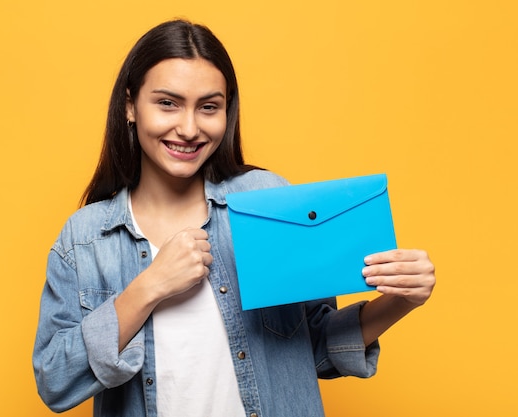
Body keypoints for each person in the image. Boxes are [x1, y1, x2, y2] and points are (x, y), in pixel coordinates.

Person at [32, 19, 436, 417]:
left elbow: (314, 347)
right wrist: (148, 288)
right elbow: (55, 382)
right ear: (130, 106)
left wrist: (400, 301)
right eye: (167, 103)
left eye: (209, 107)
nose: (188, 128)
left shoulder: (265, 200)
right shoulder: (84, 239)